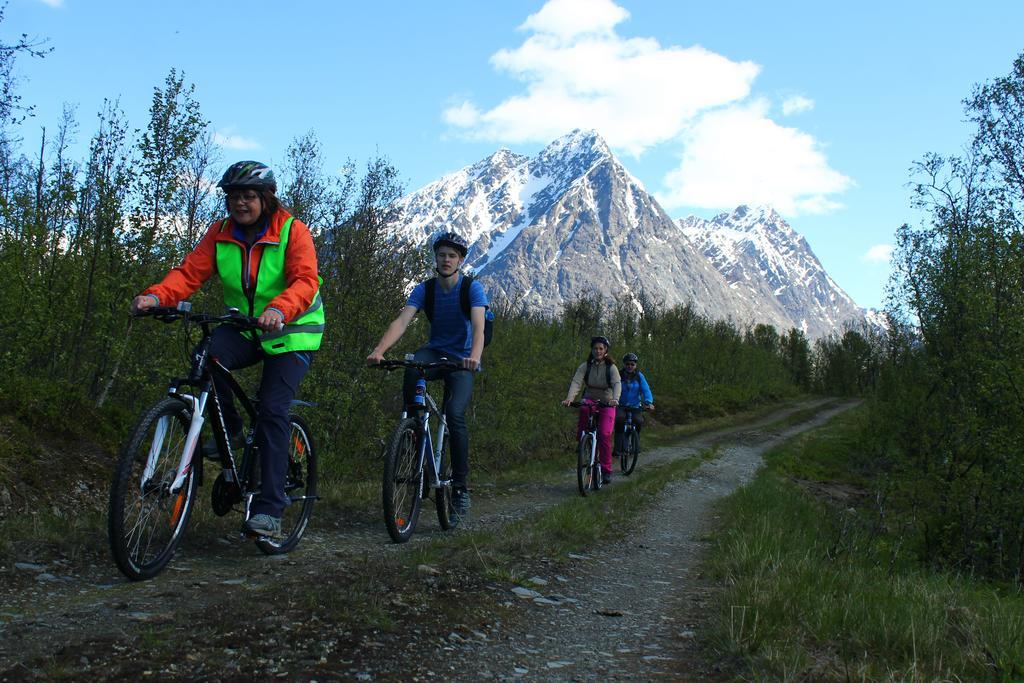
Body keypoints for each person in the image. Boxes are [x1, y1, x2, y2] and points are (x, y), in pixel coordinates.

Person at [130, 160, 325, 538]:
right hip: (247, 327)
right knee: (206, 358)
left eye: (249, 196)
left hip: (294, 330)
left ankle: (270, 508)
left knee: (272, 409)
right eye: (234, 196)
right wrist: (156, 297)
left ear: (266, 199)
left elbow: (306, 280)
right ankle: (231, 434)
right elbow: (189, 274)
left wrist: (278, 309)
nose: (240, 203)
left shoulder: (291, 231)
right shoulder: (220, 233)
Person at [366, 230, 487, 525]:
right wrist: (380, 350)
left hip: (462, 359)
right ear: (435, 257)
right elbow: (402, 321)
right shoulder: (426, 289)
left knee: (455, 415)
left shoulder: (472, 288)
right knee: (412, 366)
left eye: (452, 256)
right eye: (441, 254)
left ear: (460, 260)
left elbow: (479, 326)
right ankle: (412, 434)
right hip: (434, 352)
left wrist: (475, 356)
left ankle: (459, 486)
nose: (446, 260)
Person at [562, 336, 621, 484]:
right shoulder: (585, 366)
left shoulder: (611, 367)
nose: (598, 351)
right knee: (583, 408)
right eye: (595, 348)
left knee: (604, 434)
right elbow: (576, 382)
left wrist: (615, 399)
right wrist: (570, 398)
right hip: (590, 399)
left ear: (606, 350)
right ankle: (582, 442)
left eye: (601, 348)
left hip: (607, 402)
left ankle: (606, 470)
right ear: (592, 350)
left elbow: (617, 384)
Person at [614, 352, 655, 455]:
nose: (630, 366)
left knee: (638, 420)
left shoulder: (639, 376)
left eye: (632, 364)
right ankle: (617, 448)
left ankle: (635, 444)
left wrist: (648, 402)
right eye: (627, 364)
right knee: (619, 419)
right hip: (621, 405)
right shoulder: (618, 375)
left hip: (635, 405)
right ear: (624, 364)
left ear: (635, 365)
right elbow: (612, 388)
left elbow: (646, 390)